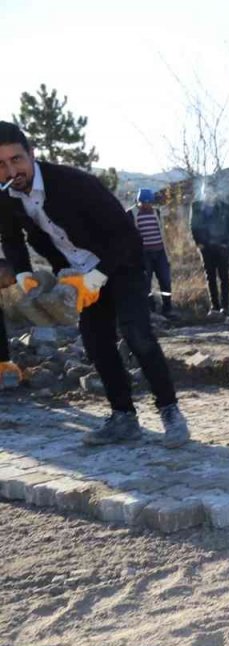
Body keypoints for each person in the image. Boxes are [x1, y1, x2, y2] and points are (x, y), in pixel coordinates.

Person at [0, 122, 189, 446]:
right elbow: (11, 238)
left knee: (137, 334)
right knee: (96, 342)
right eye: (0, 165)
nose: (10, 170)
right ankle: (123, 418)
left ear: (32, 154)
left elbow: (125, 235)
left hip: (121, 265)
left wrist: (97, 277)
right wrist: (23, 275)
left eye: (16, 159)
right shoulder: (5, 197)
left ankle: (170, 411)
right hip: (75, 274)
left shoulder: (75, 184)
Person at [190, 186, 229, 317]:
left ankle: (225, 307)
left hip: (222, 247)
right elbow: (193, 226)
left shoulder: (224, 207)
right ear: (203, 193)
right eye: (206, 192)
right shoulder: (197, 207)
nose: (209, 194)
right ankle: (215, 306)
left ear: (216, 193)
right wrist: (199, 243)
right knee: (210, 277)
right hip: (206, 248)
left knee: (224, 276)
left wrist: (226, 243)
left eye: (212, 191)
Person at [128, 188, 173, 317]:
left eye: (149, 202)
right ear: (138, 202)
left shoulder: (157, 213)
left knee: (165, 280)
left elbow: (164, 231)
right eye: (144, 202)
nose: (147, 205)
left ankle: (167, 308)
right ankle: (150, 309)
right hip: (143, 254)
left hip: (160, 252)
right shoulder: (131, 214)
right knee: (146, 283)